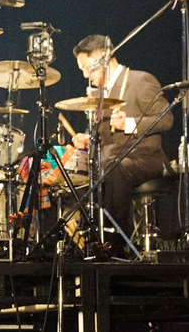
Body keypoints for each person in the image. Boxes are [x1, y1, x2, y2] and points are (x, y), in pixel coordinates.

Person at [71, 35, 173, 249]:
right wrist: (89, 140)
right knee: (73, 173)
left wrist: (129, 123)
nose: (84, 75)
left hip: (145, 158)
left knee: (115, 169)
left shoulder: (140, 80)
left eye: (86, 67)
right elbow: (105, 135)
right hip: (112, 160)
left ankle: (114, 244)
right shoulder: (100, 95)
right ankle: (79, 239)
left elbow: (166, 119)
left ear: (102, 58)